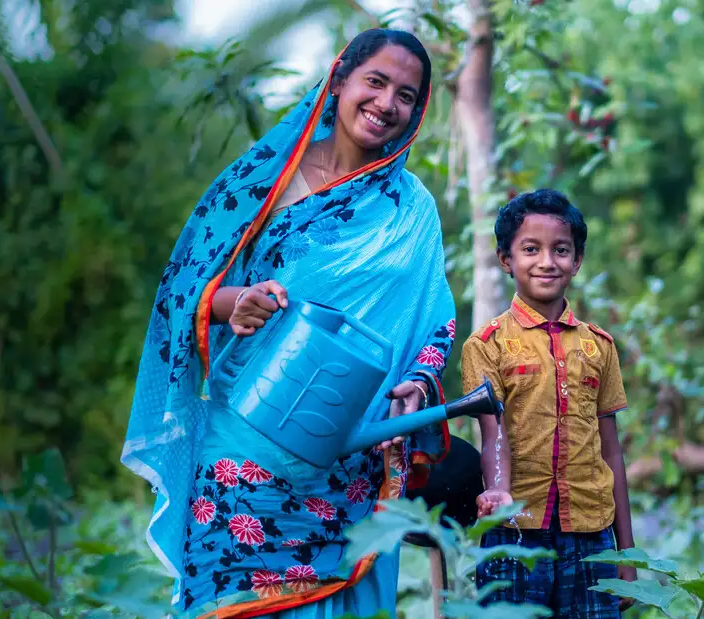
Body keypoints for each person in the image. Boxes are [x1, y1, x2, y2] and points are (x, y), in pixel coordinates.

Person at [122, 29, 456, 618]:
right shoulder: (262, 182)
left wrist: (420, 382)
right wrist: (232, 303)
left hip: (350, 464)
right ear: (341, 79)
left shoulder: (413, 208)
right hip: (243, 451)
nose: (386, 104)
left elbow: (435, 322)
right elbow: (183, 290)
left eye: (406, 95)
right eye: (375, 82)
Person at [461, 189, 636, 617]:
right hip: (515, 531)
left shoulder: (600, 347)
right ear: (507, 259)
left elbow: (611, 452)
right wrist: (498, 488)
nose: (546, 262)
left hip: (592, 534)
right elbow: (492, 434)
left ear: (577, 261)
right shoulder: (487, 345)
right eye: (530, 249)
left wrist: (627, 556)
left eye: (561, 250)